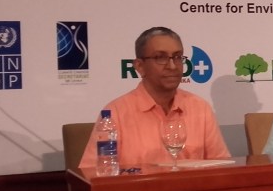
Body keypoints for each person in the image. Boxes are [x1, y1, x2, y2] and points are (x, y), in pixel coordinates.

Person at [79, 27, 230, 168]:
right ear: (140, 66)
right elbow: (93, 173)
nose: (172, 66)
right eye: (160, 57)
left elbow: (221, 166)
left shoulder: (200, 108)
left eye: (177, 57)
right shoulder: (115, 113)